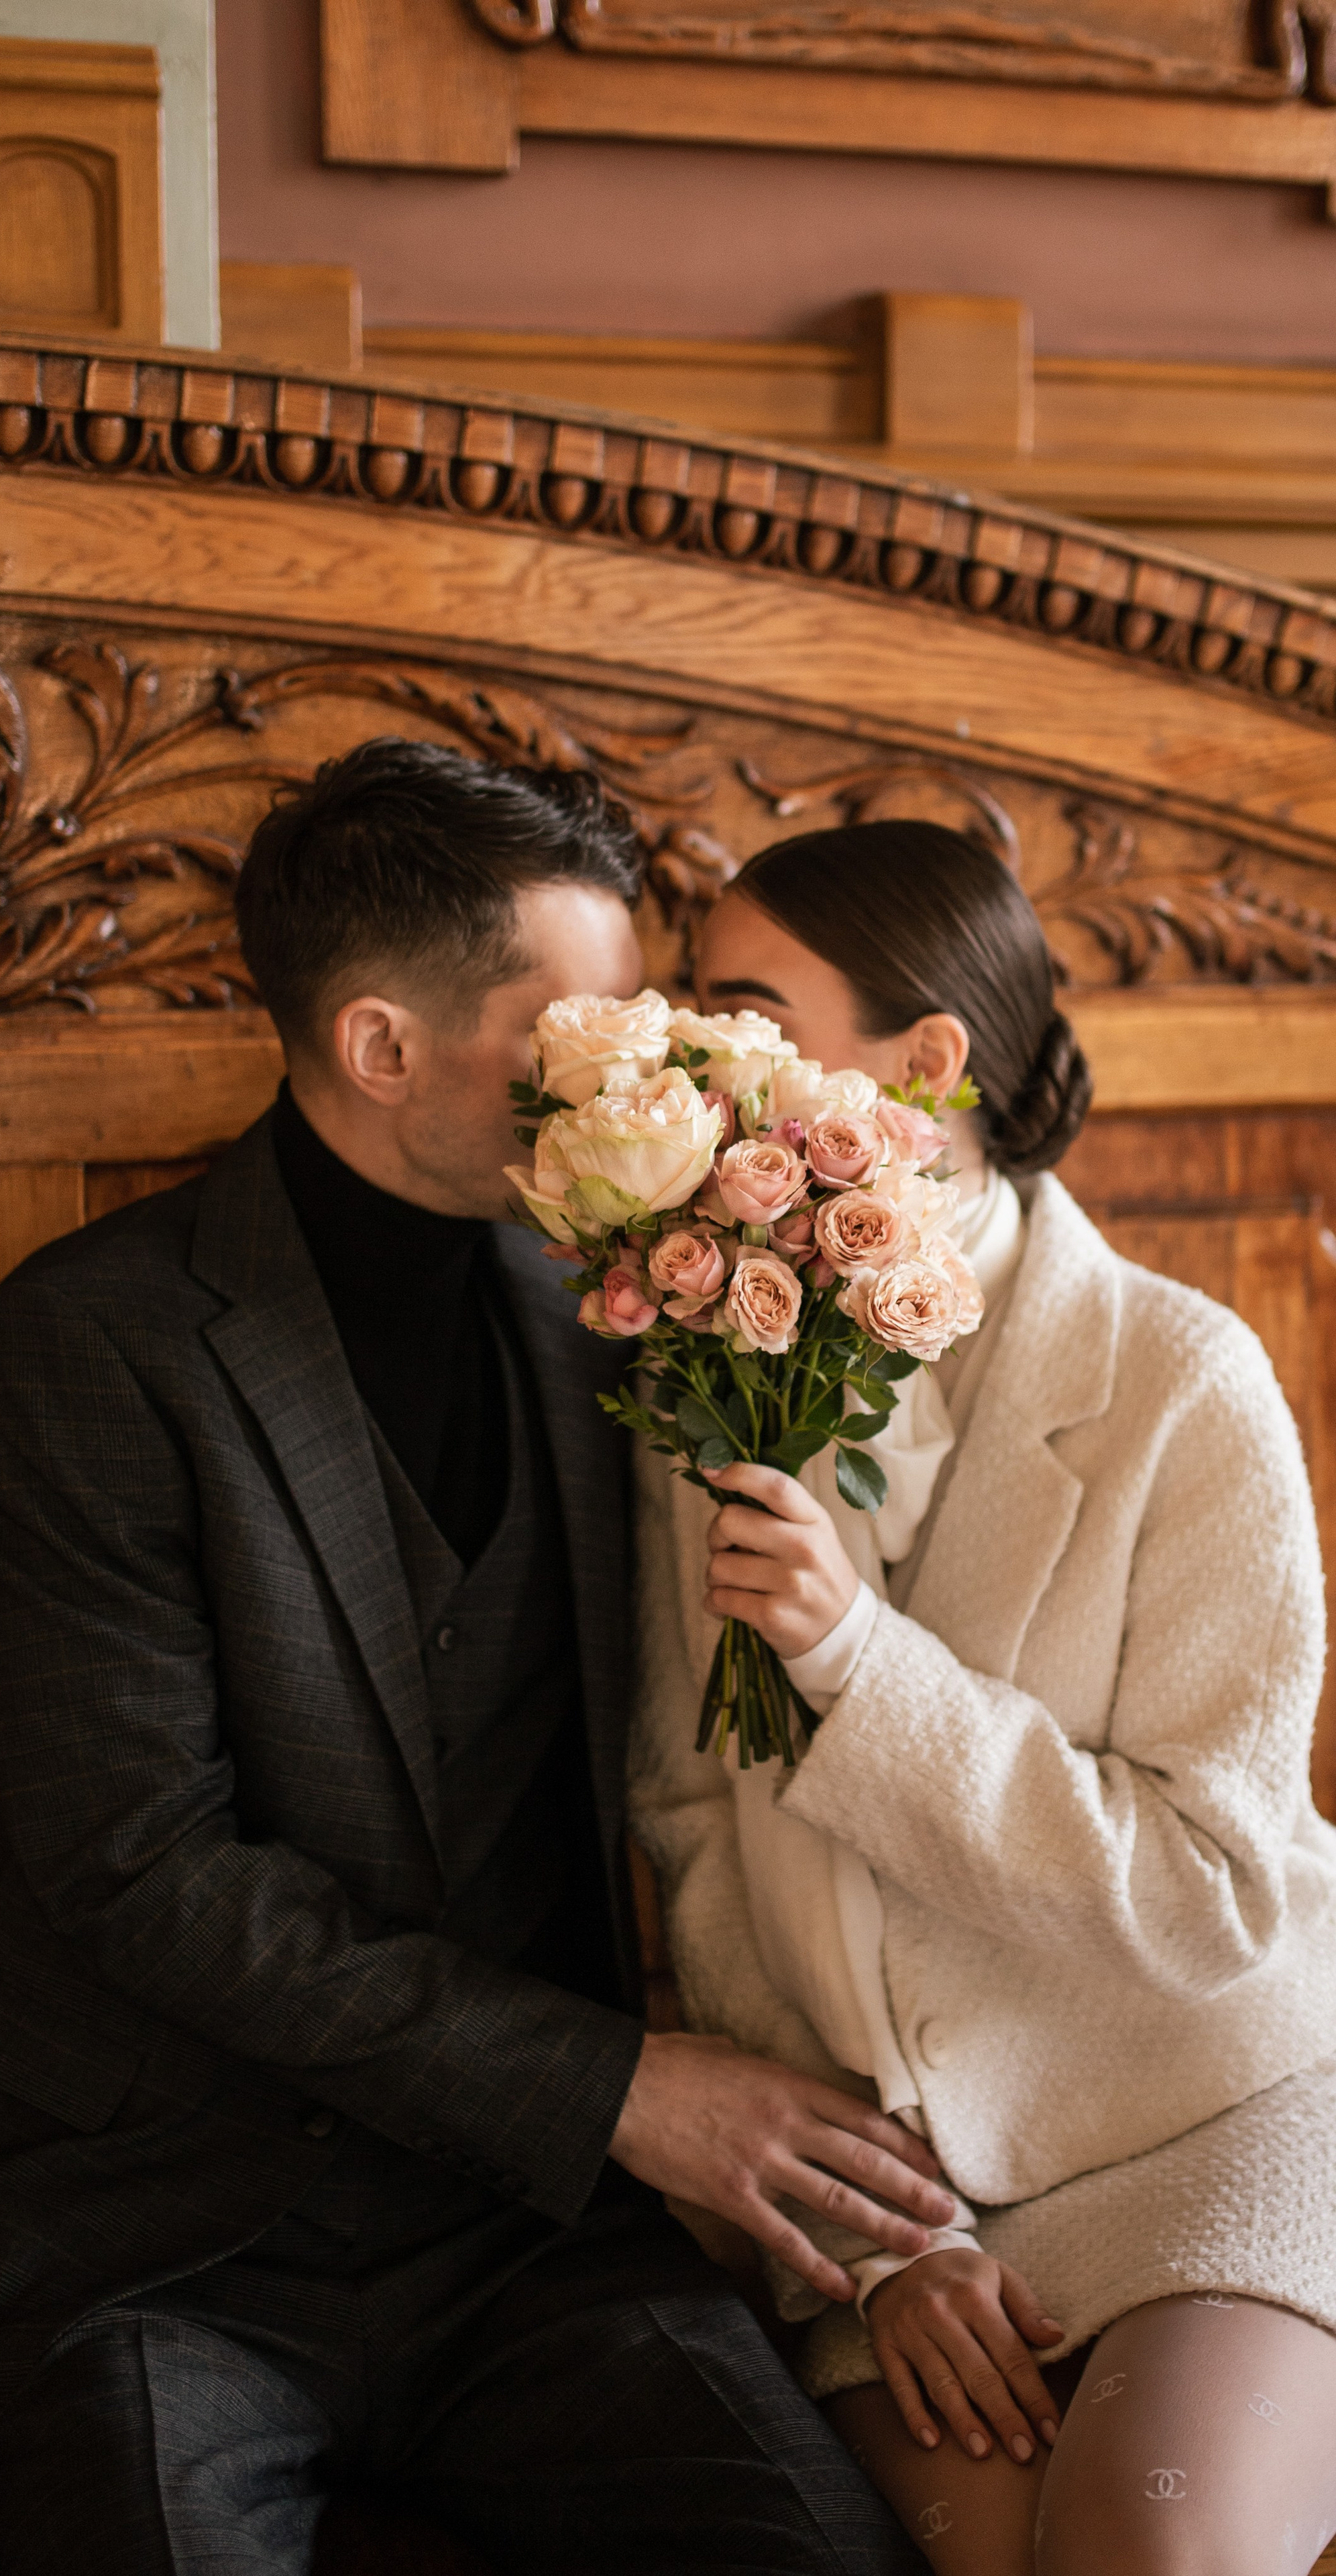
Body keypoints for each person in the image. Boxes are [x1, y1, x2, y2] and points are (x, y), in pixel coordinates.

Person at [0, 740, 958, 2576]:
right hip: (157, 2242)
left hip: (522, 2235)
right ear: (382, 1049)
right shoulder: (82, 1346)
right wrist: (621, 2089)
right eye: (592, 1027)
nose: (647, 1070)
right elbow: (146, 1874)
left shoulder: (612, 1304)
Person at [630, 816, 1336, 2576]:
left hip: (1218, 2107)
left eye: (742, 1012)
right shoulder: (698, 1369)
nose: (696, 1060)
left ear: (924, 1059)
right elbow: (697, 1850)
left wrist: (860, 1671)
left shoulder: (1186, 1380)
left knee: (1145, 2556)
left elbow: (1216, 1894)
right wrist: (877, 2246)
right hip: (907, 2212)